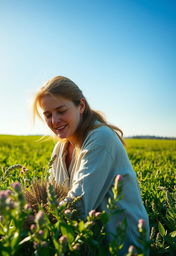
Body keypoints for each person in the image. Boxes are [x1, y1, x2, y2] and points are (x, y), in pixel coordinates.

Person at [32, 76, 150, 255]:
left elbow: (79, 206)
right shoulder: (59, 148)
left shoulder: (101, 137)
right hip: (85, 242)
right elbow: (54, 196)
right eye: (48, 115)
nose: (54, 121)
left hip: (122, 245)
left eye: (61, 111)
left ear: (81, 106)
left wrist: (28, 220)